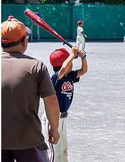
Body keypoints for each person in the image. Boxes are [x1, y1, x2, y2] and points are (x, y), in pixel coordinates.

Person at [1, 16, 60, 162]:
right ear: (24, 41)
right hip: (28, 139)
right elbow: (51, 100)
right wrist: (54, 128)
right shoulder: (36, 66)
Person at [42, 46, 87, 162]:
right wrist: (72, 55)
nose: (72, 64)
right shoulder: (56, 77)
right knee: (55, 151)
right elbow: (62, 69)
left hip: (62, 119)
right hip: (52, 118)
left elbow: (83, 71)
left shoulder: (69, 76)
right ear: (64, 64)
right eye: (70, 61)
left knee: (63, 150)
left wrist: (83, 57)